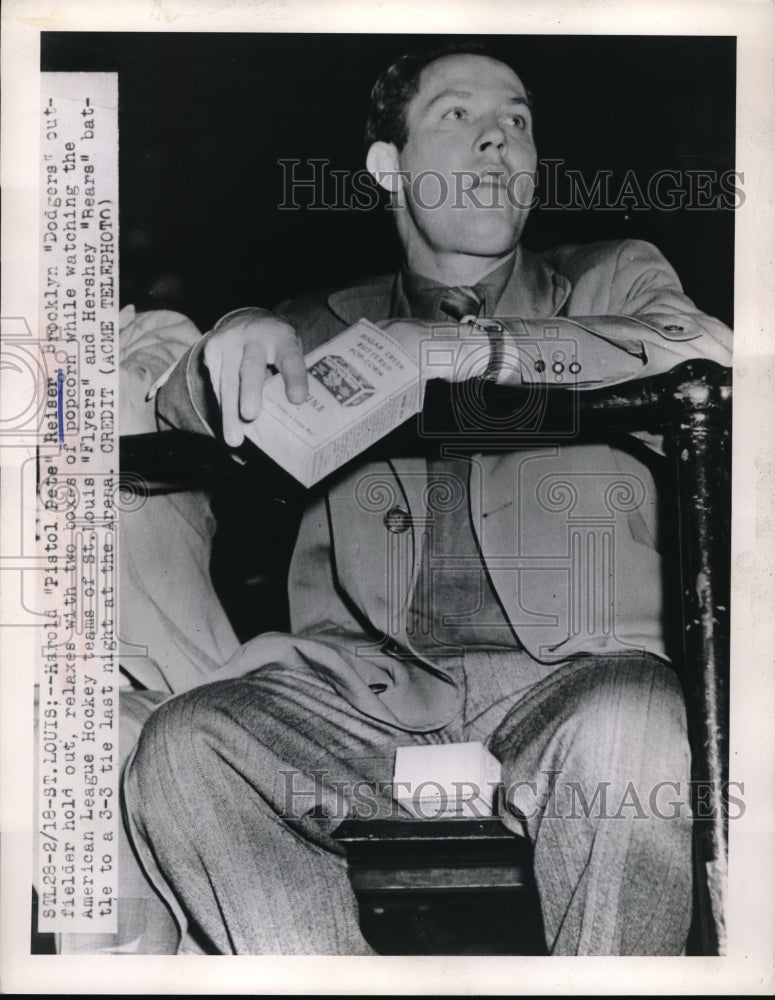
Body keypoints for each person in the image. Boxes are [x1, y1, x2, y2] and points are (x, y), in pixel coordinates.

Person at [123, 42, 733, 955]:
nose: (499, 139)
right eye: (458, 114)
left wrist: (463, 353)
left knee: (634, 725)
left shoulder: (610, 276)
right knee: (186, 748)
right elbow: (186, 408)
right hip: (367, 709)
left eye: (518, 120)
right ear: (386, 166)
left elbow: (701, 351)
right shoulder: (323, 319)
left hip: (572, 694)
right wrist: (231, 341)